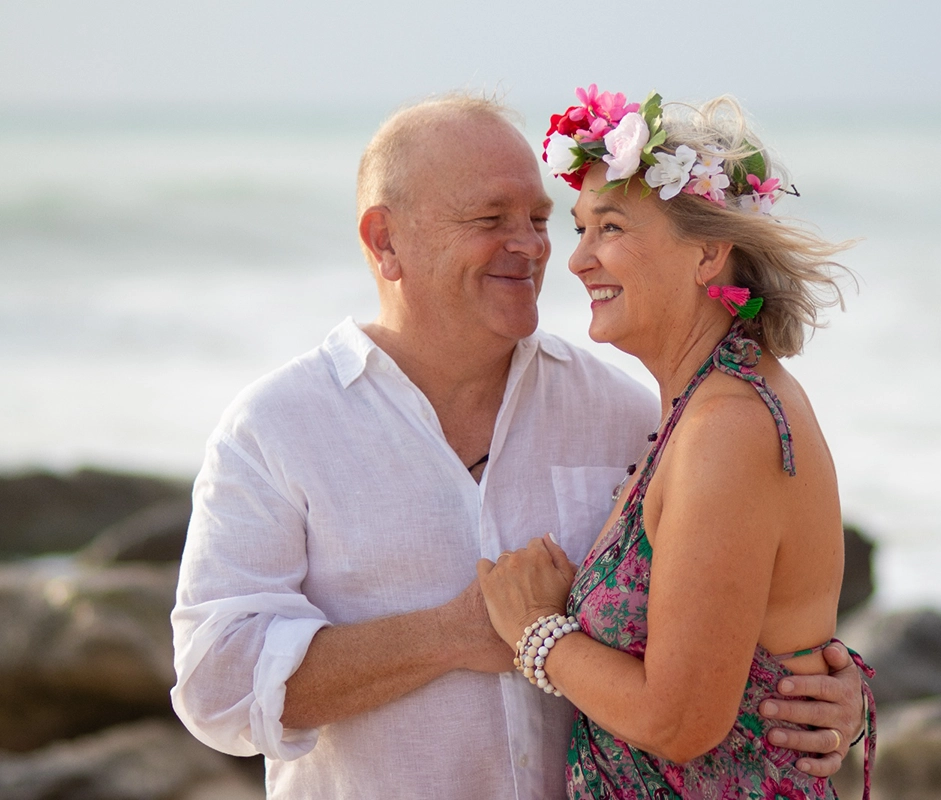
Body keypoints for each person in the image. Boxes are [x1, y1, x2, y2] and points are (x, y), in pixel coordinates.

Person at [170, 93, 866, 799]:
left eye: (539, 220)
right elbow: (215, 687)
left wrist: (823, 693)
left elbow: (734, 625)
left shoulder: (640, 417)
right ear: (384, 241)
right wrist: (451, 634)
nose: (538, 249)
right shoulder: (276, 429)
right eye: (491, 219)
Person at [476, 87, 874, 800]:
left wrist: (537, 633)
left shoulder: (729, 426)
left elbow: (682, 720)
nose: (578, 261)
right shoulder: (703, 407)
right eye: (580, 230)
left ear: (709, 253)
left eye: (612, 228)